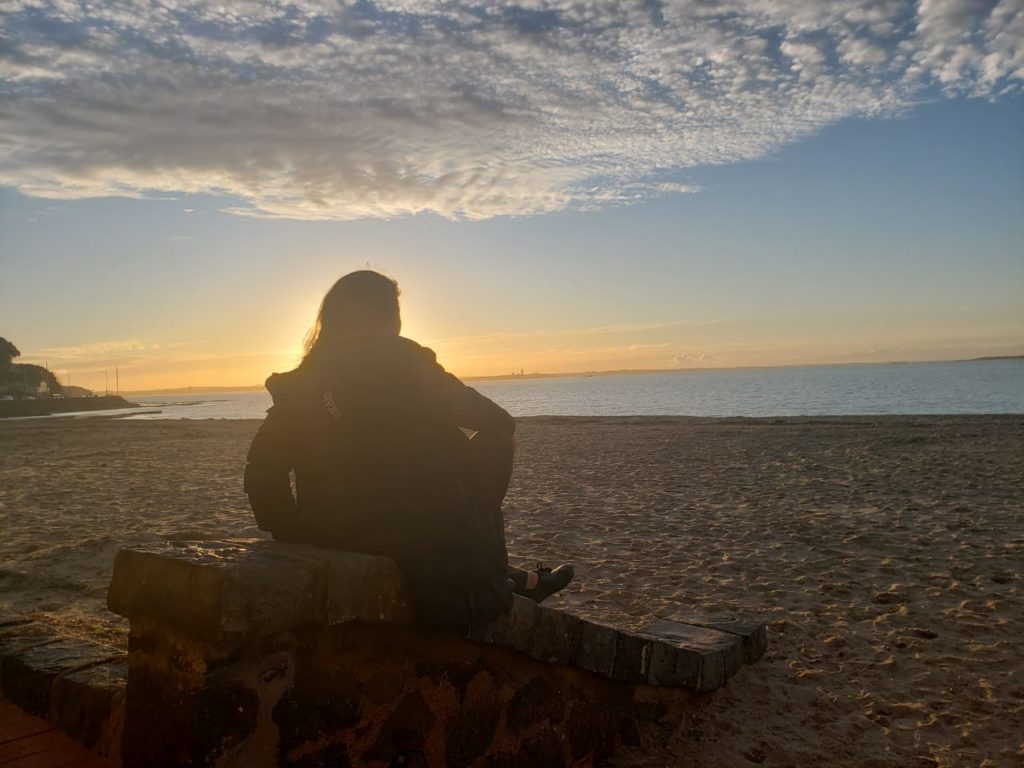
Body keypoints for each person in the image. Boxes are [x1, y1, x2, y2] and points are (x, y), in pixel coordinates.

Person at [244, 270, 573, 632]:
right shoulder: (406, 362)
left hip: (334, 528)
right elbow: (497, 418)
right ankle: (506, 570)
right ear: (389, 316)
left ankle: (517, 577)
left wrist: (293, 531)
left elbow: (263, 469)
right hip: (419, 530)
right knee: (496, 439)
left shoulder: (304, 382)